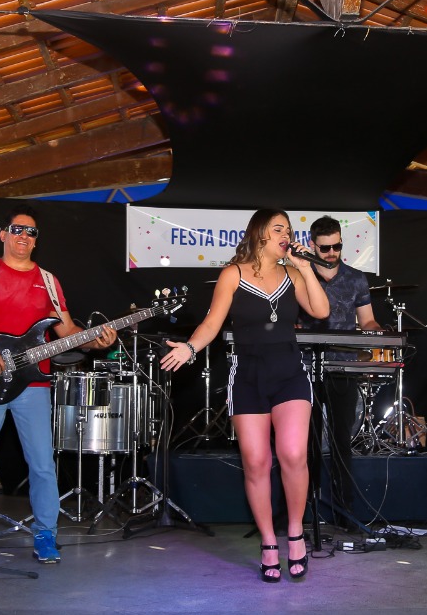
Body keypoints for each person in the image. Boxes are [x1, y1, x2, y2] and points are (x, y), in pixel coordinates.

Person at [0, 204, 116, 563]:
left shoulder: (49, 281)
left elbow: (67, 332)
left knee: (41, 464)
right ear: (5, 235)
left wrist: (96, 340)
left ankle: (45, 535)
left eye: (31, 232)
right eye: (18, 229)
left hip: (34, 385)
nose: (24, 235)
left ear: (36, 241)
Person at [162, 209, 329, 582]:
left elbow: (321, 310)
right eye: (278, 228)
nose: (286, 234)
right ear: (259, 234)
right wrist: (189, 348)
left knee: (293, 453)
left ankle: (295, 533)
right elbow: (211, 323)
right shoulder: (233, 274)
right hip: (248, 376)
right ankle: (269, 542)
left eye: (289, 229)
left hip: (289, 372)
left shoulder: (293, 274)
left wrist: (305, 268)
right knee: (256, 462)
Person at [298, 215, 382, 528]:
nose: (332, 253)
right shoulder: (299, 274)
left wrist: (376, 332)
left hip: (343, 366)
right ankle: (300, 512)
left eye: (337, 246)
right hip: (305, 367)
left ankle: (343, 511)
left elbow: (367, 319)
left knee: (341, 441)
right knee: (303, 442)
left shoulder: (356, 278)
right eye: (325, 248)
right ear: (312, 245)